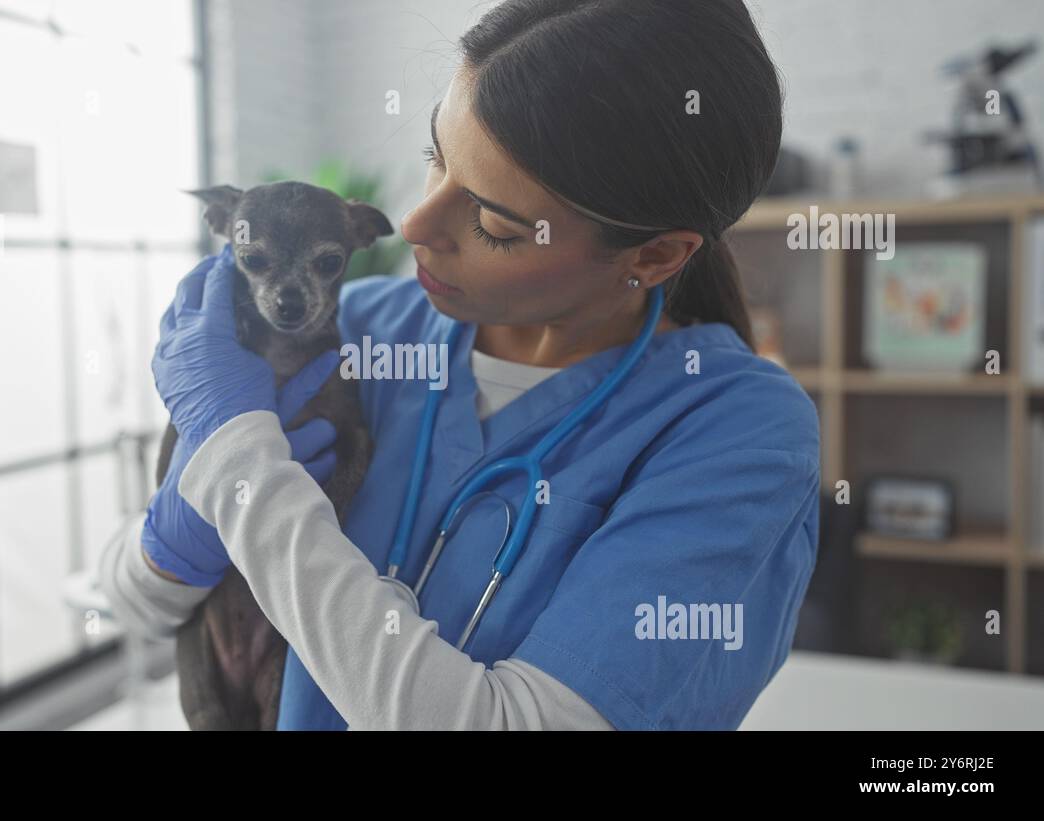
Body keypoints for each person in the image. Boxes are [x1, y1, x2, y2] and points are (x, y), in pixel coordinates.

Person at [99, 0, 820, 730]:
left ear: (656, 255)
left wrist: (234, 466)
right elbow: (133, 604)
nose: (414, 227)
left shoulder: (737, 432)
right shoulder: (354, 331)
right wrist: (175, 532)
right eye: (434, 158)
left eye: (494, 223)